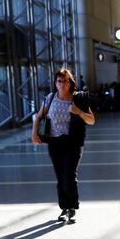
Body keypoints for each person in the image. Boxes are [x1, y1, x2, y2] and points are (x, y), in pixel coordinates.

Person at [31, 68, 95, 223]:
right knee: (60, 176)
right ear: (55, 83)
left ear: (70, 82)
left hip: (73, 142)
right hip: (55, 142)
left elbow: (91, 120)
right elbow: (39, 117)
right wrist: (34, 133)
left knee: (69, 175)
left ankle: (72, 207)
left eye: (65, 81)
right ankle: (64, 208)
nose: (62, 84)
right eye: (59, 81)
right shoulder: (50, 98)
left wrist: (78, 112)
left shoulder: (78, 99)